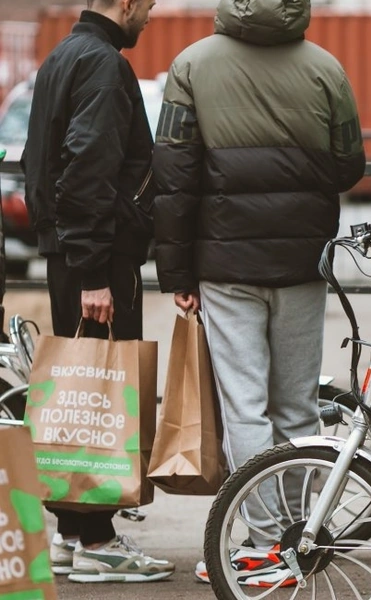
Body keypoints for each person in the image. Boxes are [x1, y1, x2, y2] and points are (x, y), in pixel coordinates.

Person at [152, 0, 364, 586]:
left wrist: (176, 274)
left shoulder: (192, 65)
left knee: (244, 405)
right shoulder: (326, 69)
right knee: (297, 406)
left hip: (225, 266)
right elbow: (350, 166)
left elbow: (173, 177)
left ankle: (265, 544)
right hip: (302, 263)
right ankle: (301, 537)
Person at [20, 0, 174, 583]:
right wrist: (94, 274)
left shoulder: (62, 55)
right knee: (106, 394)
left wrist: (66, 251)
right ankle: (102, 542)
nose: (151, 17)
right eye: (149, 6)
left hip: (72, 251)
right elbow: (87, 163)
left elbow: (44, 161)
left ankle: (68, 533)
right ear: (127, 3)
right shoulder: (104, 63)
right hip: (99, 258)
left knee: (76, 397)